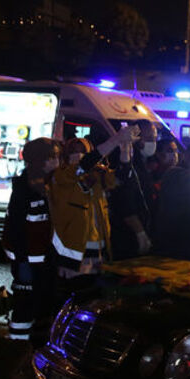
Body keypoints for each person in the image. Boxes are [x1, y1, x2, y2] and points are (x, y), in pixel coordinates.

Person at [50, 128, 139, 301]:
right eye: (73, 151)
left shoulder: (98, 175)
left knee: (92, 301)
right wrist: (114, 140)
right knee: (69, 300)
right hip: (72, 257)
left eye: (82, 151)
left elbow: (122, 177)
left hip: (97, 254)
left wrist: (125, 149)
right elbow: (81, 168)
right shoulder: (61, 177)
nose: (78, 155)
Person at [1, 137, 60, 341]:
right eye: (53, 157)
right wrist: (22, 262)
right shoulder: (24, 190)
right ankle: (17, 345)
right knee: (25, 304)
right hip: (27, 259)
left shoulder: (48, 185)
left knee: (43, 304)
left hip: (43, 258)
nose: (57, 161)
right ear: (41, 160)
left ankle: (36, 345)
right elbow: (16, 229)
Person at [108, 119, 156, 260]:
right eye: (149, 138)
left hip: (141, 228)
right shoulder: (125, 162)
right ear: (135, 138)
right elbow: (124, 199)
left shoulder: (145, 162)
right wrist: (140, 232)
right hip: (126, 234)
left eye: (154, 138)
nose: (153, 142)